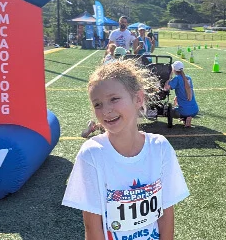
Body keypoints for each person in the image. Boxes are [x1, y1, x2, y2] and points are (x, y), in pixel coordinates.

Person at [63, 60, 190, 239]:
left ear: (138, 99)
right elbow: (93, 228)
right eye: (97, 104)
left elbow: (166, 213)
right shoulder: (91, 154)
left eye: (114, 99)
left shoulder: (160, 148)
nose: (106, 110)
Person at [164, 61, 199, 128]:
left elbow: (166, 88)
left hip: (184, 111)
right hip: (195, 110)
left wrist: (168, 78)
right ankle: (187, 118)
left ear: (173, 69)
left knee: (169, 111)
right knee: (182, 104)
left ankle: (185, 117)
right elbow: (185, 89)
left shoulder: (176, 79)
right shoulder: (188, 78)